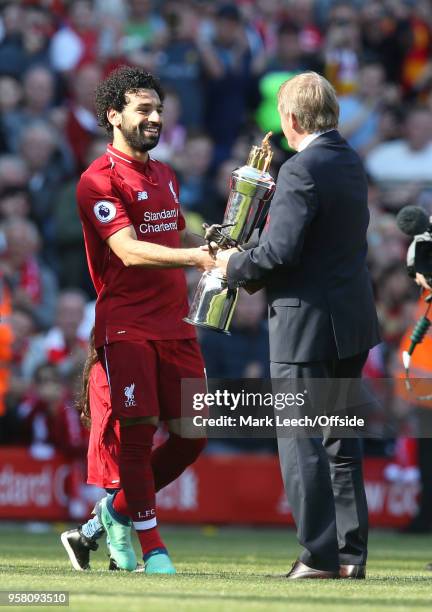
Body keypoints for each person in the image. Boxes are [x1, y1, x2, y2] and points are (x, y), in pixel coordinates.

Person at [216, 72, 380, 579]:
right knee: (340, 441)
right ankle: (350, 556)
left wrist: (230, 266)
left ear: (289, 119)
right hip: (349, 323)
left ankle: (318, 556)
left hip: (305, 326)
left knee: (301, 440)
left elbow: (278, 252)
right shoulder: (349, 160)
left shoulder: (301, 169)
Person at [75, 66, 213, 574]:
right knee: (138, 432)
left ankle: (113, 512)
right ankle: (152, 546)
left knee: (194, 435)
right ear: (114, 116)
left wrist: (212, 252)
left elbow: (169, 245)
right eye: (144, 109)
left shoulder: (167, 174)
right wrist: (198, 257)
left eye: (159, 109)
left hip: (176, 322)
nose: (155, 118)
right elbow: (130, 252)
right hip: (128, 323)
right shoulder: (97, 179)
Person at [61, 328, 210, 571]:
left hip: (125, 444)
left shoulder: (133, 357)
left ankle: (86, 537)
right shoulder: (111, 366)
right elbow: (113, 418)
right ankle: (106, 549)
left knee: (123, 501)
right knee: (123, 498)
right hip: (116, 444)